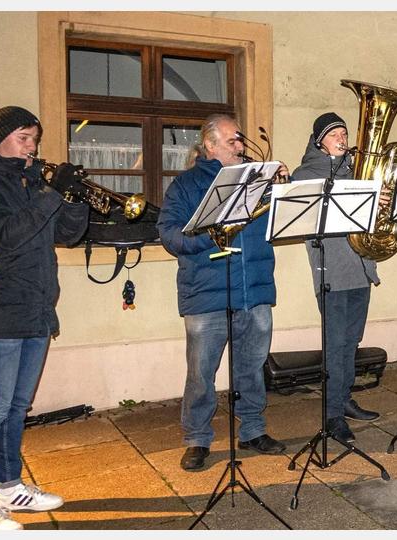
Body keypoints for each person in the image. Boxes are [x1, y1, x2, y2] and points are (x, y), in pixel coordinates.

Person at [157, 114, 286, 472]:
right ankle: (197, 438)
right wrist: (206, 239)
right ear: (209, 145)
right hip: (206, 294)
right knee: (201, 373)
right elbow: (168, 234)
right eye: (232, 141)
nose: (241, 146)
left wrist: (282, 185)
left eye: (240, 140)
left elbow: (285, 217)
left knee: (252, 366)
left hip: (254, 289)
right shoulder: (185, 185)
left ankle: (253, 430)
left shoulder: (257, 181)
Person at [0, 106, 88, 530]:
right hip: (4, 307)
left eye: (35, 139)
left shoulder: (32, 179)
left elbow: (67, 234)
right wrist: (51, 194)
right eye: (24, 138)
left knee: (17, 407)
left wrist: (74, 199)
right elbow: (7, 235)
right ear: (0, 138)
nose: (32, 146)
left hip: (39, 305)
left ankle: (9, 485)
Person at [290, 112, 381, 443]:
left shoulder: (358, 172)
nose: (343, 138)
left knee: (351, 342)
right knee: (336, 345)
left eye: (344, 132)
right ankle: (331, 415)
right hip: (331, 272)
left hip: (361, 268)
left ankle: (343, 400)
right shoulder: (306, 175)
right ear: (319, 141)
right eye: (335, 134)